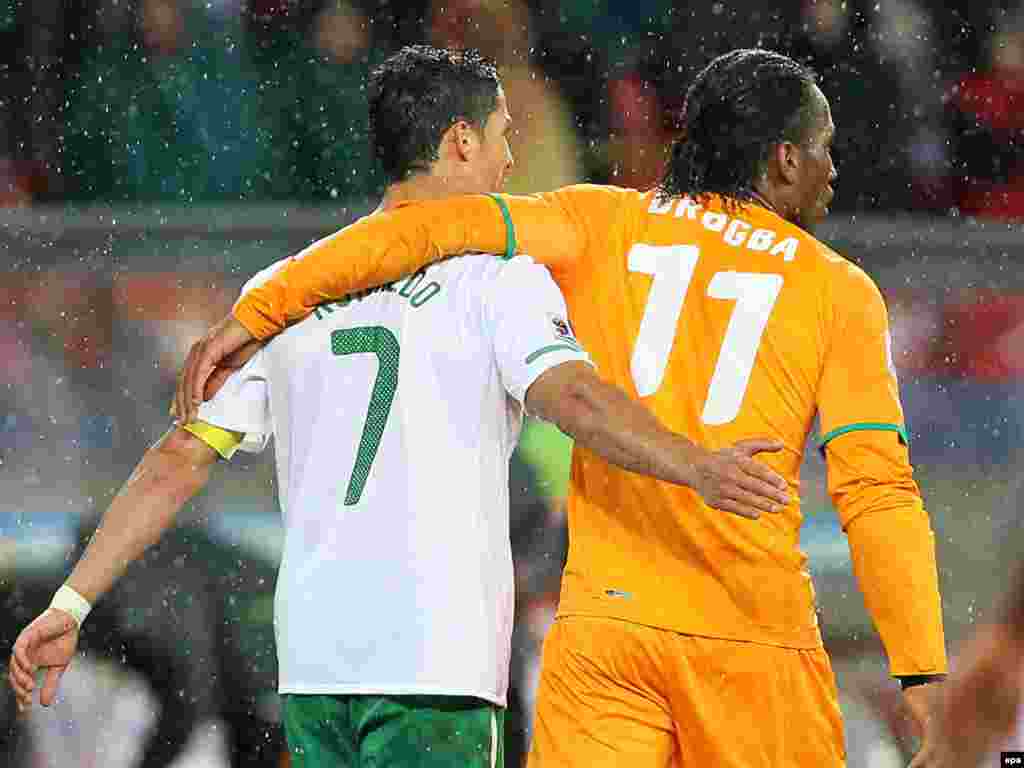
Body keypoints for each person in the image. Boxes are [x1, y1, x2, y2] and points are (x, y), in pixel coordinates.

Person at [9, 45, 790, 768]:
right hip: (433, 667)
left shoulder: (286, 289)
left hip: (315, 670)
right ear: (457, 143)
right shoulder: (496, 277)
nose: (512, 158)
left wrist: (72, 601)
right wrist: (698, 466)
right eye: (500, 135)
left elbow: (180, 456)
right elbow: (573, 398)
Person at [175, 48, 953, 767]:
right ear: (785, 159)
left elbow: (419, 231)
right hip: (751, 636)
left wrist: (261, 310)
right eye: (824, 147)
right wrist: (919, 669)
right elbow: (875, 491)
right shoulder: (838, 290)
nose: (832, 170)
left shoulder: (597, 220)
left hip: (606, 632)